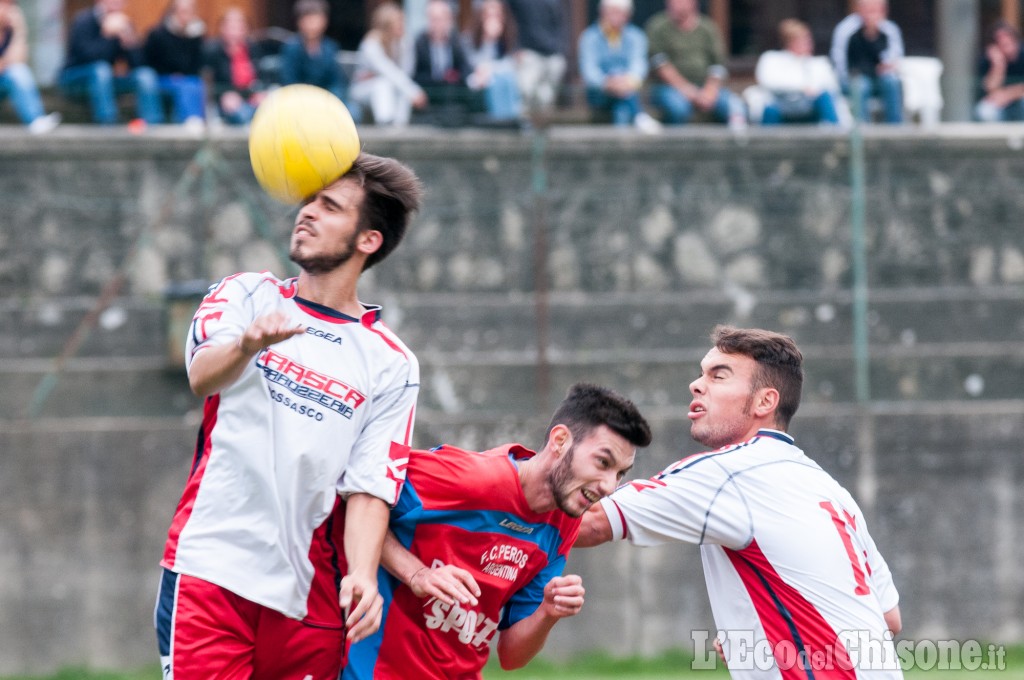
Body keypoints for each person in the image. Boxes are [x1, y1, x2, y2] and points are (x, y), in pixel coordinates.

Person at [154, 153, 424, 679]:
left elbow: (370, 485)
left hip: (310, 596)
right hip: (211, 569)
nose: (307, 213)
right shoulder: (245, 294)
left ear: (368, 240)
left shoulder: (392, 363)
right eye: (309, 201)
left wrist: (364, 575)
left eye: (330, 207)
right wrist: (248, 345)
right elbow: (201, 375)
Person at [578, 326, 903, 680]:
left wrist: (514, 496)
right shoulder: (833, 491)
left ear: (765, 401)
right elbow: (889, 619)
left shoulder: (728, 473)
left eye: (719, 375)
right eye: (701, 373)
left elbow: (591, 521)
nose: (696, 385)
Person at [344, 383, 653, 679]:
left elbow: (511, 656)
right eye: (603, 462)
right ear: (560, 441)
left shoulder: (563, 524)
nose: (610, 486)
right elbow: (357, 503)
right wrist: (417, 574)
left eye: (620, 473)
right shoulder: (472, 480)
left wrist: (548, 612)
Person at [60, 0, 163, 125]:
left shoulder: (123, 24)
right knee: (101, 70)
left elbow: (138, 65)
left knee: (145, 75)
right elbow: (85, 57)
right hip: (75, 79)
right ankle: (108, 121)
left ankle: (153, 122)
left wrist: (130, 43)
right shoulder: (84, 20)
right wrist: (107, 36)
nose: (118, 3)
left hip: (104, 80)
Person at [644, 0, 745, 127]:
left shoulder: (708, 28)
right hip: (668, 88)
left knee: (735, 107)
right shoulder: (658, 26)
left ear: (693, 3)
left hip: (705, 85)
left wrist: (710, 91)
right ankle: (680, 146)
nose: (676, 4)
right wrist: (689, 92)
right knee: (678, 107)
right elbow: (661, 65)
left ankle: (735, 145)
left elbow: (718, 65)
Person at [578, 0, 660, 132]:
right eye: (611, 12)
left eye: (619, 13)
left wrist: (626, 82)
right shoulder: (589, 37)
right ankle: (640, 116)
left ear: (627, 15)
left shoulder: (637, 36)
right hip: (599, 94)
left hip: (627, 90)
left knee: (622, 110)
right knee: (625, 99)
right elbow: (589, 71)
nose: (615, 17)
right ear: (602, 13)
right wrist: (608, 83)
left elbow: (639, 66)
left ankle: (620, 149)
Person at [350, 2, 427, 126]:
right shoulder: (371, 44)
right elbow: (388, 71)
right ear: (387, 25)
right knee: (383, 84)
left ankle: (399, 129)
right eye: (398, 22)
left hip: (393, 88)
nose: (402, 25)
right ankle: (385, 125)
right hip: (363, 90)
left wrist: (411, 92)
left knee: (402, 90)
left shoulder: (405, 42)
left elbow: (406, 73)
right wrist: (414, 91)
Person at [753, 19, 842, 126]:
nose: (808, 43)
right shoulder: (771, 59)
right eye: (802, 40)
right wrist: (801, 88)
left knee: (825, 99)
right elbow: (768, 82)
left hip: (810, 109)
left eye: (808, 39)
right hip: (781, 107)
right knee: (769, 109)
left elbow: (832, 88)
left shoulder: (819, 63)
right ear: (789, 42)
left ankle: (834, 137)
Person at [830, 0, 903, 124]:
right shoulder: (846, 29)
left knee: (892, 82)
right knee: (861, 85)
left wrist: (874, 35)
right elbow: (839, 61)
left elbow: (894, 58)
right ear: (859, 9)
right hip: (854, 77)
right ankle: (863, 130)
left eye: (876, 9)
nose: (872, 14)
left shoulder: (889, 29)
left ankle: (895, 127)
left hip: (879, 78)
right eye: (868, 9)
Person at [412, 0, 478, 125]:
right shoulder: (420, 43)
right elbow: (415, 74)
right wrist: (440, 78)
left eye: (440, 19)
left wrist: (455, 76)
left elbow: (466, 68)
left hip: (453, 97)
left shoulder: (456, 41)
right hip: (430, 95)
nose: (436, 24)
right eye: (432, 19)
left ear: (448, 20)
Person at [0, 0, 60, 133]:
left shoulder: (10, 31)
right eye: (3, 4)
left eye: (11, 6)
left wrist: (19, 31)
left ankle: (35, 120)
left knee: (19, 71)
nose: (9, 10)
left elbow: (20, 61)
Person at [143, 0, 206, 126]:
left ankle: (197, 120)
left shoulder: (196, 36)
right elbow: (149, 61)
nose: (185, 16)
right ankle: (189, 120)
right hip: (162, 78)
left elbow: (197, 63)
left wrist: (192, 38)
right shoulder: (158, 34)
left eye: (189, 12)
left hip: (188, 78)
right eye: (182, 11)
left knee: (195, 84)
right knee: (184, 86)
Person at [204, 7, 267, 126]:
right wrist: (223, 95)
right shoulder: (213, 51)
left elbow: (262, 77)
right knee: (238, 111)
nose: (235, 33)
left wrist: (259, 93)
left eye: (240, 28)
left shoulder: (254, 49)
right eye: (231, 28)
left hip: (251, 98)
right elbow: (208, 85)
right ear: (222, 28)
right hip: (226, 101)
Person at [280, 0, 349, 105]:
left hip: (327, 100)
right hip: (300, 101)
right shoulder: (291, 48)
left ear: (324, 21)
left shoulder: (330, 47)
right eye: (308, 20)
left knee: (353, 111)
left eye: (316, 19)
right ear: (299, 22)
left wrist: (331, 99)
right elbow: (289, 83)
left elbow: (337, 81)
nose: (312, 25)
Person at [506, 0, 568, 117]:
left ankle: (540, 131)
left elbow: (560, 25)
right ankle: (526, 129)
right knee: (526, 93)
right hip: (529, 54)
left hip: (553, 56)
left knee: (545, 99)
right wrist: (516, 48)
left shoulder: (554, 3)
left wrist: (560, 50)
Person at [463, 0, 522, 123]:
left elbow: (509, 64)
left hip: (499, 81)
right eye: (489, 15)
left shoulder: (508, 37)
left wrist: (490, 68)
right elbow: (472, 64)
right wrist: (488, 40)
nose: (493, 20)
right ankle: (500, 122)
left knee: (505, 79)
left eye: (497, 15)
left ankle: (509, 122)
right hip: (475, 85)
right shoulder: (469, 37)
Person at [975, 21, 1024, 122]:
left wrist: (1008, 94)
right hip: (1002, 103)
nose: (1003, 40)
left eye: (1007, 36)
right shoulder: (988, 61)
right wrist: (998, 64)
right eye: (999, 38)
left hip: (1019, 99)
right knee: (985, 111)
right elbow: (990, 89)